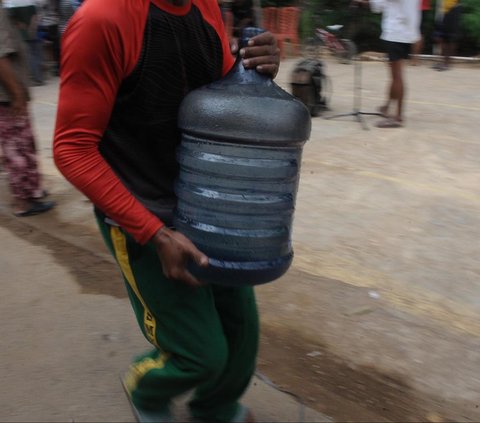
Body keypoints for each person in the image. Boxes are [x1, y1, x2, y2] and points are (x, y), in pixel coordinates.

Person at [53, 0, 279, 421]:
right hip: (141, 213)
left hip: (207, 204)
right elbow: (72, 149)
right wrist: (153, 233)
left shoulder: (207, 7)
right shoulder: (103, 20)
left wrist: (254, 72)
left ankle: (215, 408)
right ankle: (146, 391)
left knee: (242, 333)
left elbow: (216, 97)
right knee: (199, 354)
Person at [0, 3, 55, 217]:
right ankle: (23, 202)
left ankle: (31, 191)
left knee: (23, 145)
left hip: (9, 93)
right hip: (7, 95)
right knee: (18, 149)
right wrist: (16, 93)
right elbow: (0, 56)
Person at [355, 0, 421, 128]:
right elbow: (382, 4)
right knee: (395, 75)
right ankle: (387, 106)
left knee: (397, 76)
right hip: (405, 31)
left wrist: (362, 2)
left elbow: (379, 3)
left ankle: (398, 117)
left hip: (397, 32)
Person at [433, 0, 461, 71]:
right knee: (442, 37)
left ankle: (448, 63)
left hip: (453, 9)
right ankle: (443, 62)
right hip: (443, 10)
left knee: (450, 38)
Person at [411, 0, 431, 65]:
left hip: (415, 7)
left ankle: (414, 59)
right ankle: (415, 59)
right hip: (423, 7)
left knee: (416, 32)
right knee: (420, 33)